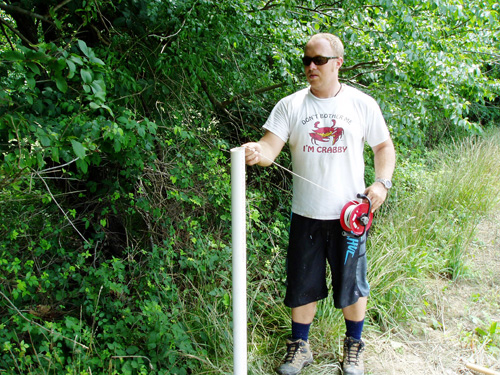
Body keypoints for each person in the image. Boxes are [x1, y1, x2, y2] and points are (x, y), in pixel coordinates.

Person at [242, 33, 396, 375]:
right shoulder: (290, 106)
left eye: (320, 60)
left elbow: (384, 147)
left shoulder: (361, 104)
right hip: (306, 214)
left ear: (338, 63)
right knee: (301, 284)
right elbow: (269, 149)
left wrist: (382, 183)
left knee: (352, 284)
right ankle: (299, 348)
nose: (311, 66)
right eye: (306, 60)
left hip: (349, 217)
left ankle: (353, 348)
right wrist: (257, 152)